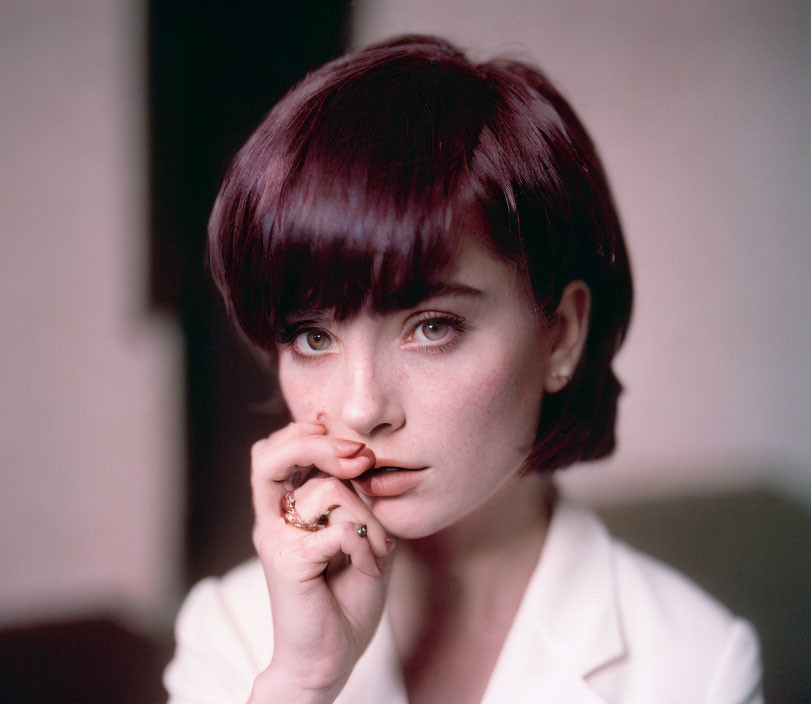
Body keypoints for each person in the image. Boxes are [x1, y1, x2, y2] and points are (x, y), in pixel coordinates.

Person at [164, 35, 763, 704]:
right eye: (312, 335)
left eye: (431, 326)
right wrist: (303, 681)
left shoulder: (695, 665)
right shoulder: (234, 633)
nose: (362, 408)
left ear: (560, 335)